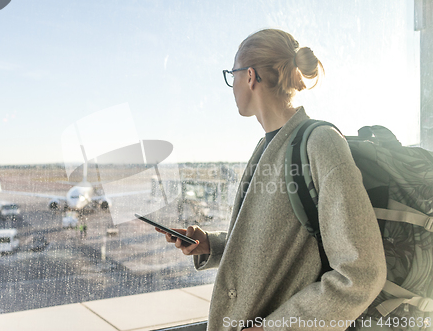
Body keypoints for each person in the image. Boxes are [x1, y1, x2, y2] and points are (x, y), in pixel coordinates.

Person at [156, 29, 387, 331]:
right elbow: (275, 242)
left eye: (232, 74)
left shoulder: (321, 144)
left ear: (249, 76)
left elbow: (360, 273)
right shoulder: (266, 147)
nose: (233, 85)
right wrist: (209, 244)